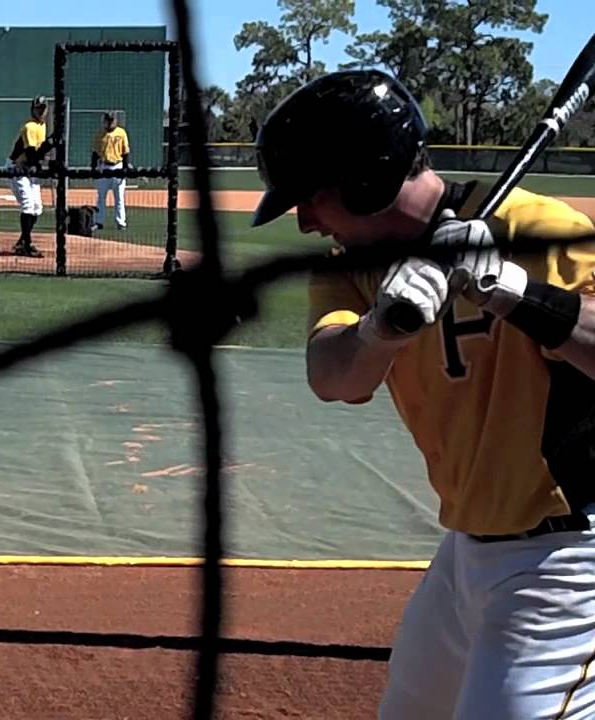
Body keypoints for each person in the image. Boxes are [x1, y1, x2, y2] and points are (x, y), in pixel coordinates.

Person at [252, 68, 595, 719]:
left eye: (311, 198)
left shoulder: (541, 230)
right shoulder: (349, 269)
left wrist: (524, 297)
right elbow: (332, 378)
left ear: (364, 179)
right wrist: (382, 330)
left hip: (570, 556)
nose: (302, 222)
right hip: (470, 546)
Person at [5, 95, 54, 257]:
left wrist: (45, 154)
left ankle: (22, 241)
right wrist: (48, 146)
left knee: (37, 208)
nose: (41, 112)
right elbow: (32, 155)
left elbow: (36, 158)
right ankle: (26, 244)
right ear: (32, 110)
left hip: (29, 169)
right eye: (38, 108)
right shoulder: (30, 127)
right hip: (17, 168)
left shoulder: (42, 125)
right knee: (27, 205)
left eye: (43, 109)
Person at [90, 111, 129, 230]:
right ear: (104, 121)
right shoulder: (100, 134)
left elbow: (125, 152)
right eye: (108, 120)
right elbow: (95, 153)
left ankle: (121, 222)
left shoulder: (121, 133)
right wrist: (93, 168)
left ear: (115, 121)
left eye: (112, 120)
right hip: (104, 166)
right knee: (101, 197)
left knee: (119, 197)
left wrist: (125, 168)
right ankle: (99, 222)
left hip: (117, 166)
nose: (110, 122)